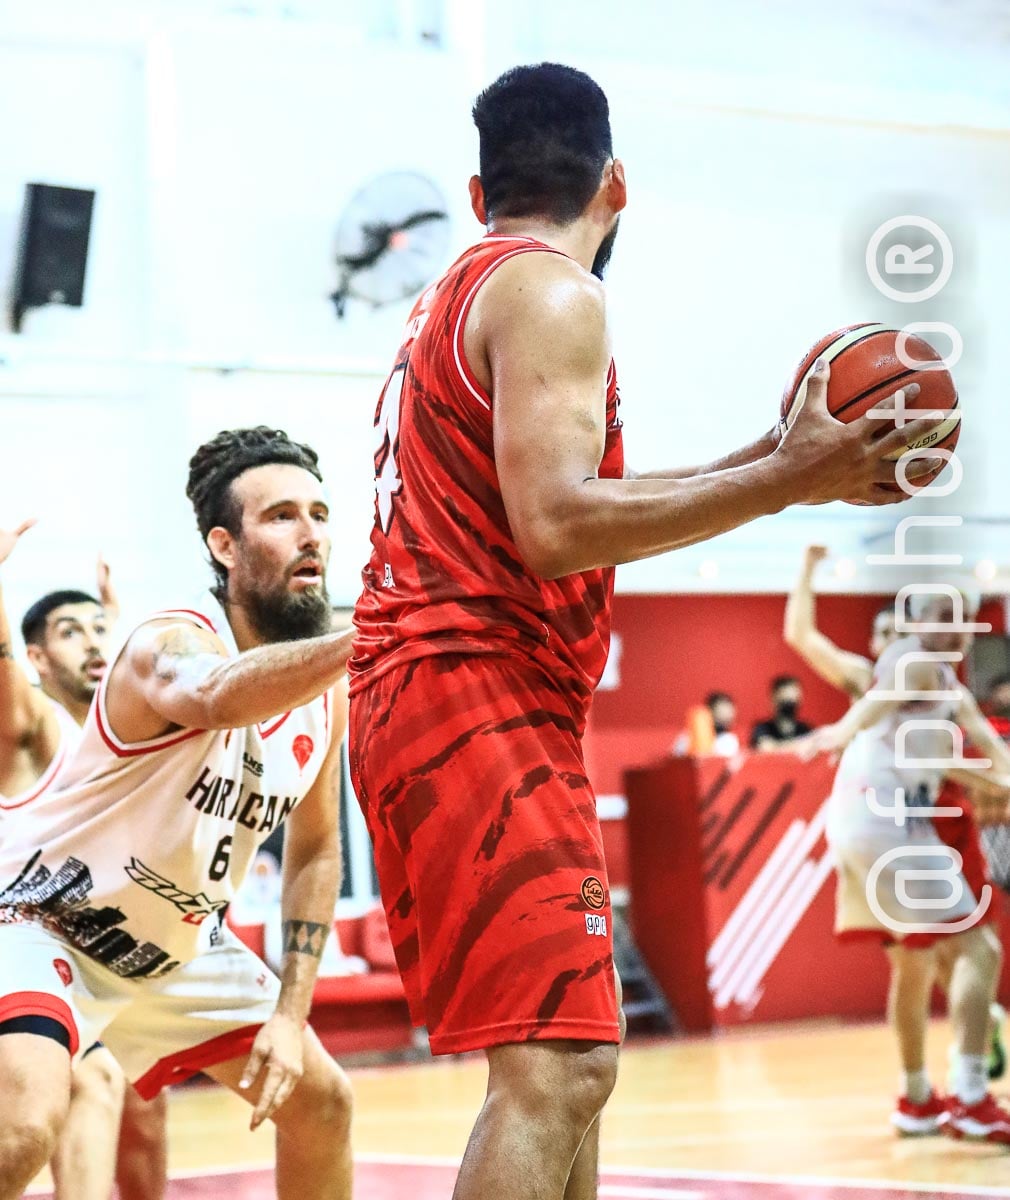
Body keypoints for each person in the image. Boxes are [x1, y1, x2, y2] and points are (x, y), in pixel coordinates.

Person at [346, 62, 947, 1200]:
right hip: (470, 688)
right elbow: (558, 527)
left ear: (477, 195)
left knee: (573, 1058)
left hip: (440, 692)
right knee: (557, 1069)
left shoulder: (459, 293)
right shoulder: (551, 292)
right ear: (615, 184)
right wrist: (783, 480)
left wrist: (778, 466)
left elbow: (566, 501)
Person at [0, 427, 356, 1200]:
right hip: (45, 918)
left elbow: (318, 848)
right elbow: (218, 695)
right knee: (25, 1128)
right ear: (224, 545)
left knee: (324, 1105)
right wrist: (376, 637)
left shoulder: (325, 694)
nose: (311, 534)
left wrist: (289, 1015)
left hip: (175, 952)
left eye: (320, 514)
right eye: (282, 516)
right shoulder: (167, 640)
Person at [785, 545, 1007, 1097]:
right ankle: (970, 1072)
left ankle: (922, 1089)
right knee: (962, 953)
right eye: (885, 635)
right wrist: (807, 568)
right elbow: (804, 638)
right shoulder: (875, 677)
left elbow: (978, 747)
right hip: (900, 819)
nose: (891, 644)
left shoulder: (943, 685)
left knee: (929, 959)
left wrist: (998, 778)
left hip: (929, 818)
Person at [0, 524, 168, 1200]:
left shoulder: (124, 733)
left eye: (101, 629)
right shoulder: (37, 729)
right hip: (21, 939)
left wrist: (111, 626)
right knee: (67, 1098)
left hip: (94, 947)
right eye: (72, 632)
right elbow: (12, 700)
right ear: (35, 658)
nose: (94, 642)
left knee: (142, 1107)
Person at [749, 675, 812, 750]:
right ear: (774, 701)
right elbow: (765, 747)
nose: (790, 705)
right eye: (785, 700)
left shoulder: (805, 729)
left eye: (794, 700)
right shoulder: (762, 729)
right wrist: (800, 744)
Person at [673, 692, 740, 756]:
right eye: (721, 712)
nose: (727, 716)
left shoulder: (729, 740)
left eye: (729, 713)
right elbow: (676, 758)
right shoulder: (686, 738)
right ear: (708, 712)